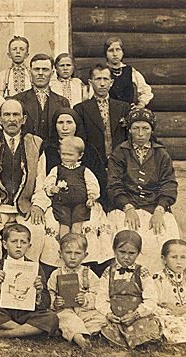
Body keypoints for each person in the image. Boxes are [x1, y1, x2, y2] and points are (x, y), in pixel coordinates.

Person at [42, 109, 113, 277]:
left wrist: (92, 198)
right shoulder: (50, 150)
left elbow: (97, 181)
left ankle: (86, 263)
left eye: (69, 122)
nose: (65, 127)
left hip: (84, 202)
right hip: (58, 202)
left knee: (89, 223)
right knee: (54, 223)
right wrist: (51, 191)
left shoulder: (88, 150)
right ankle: (60, 257)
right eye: (60, 123)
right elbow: (46, 180)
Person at [108, 108, 179, 274]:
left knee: (165, 237)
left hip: (154, 207)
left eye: (145, 128)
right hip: (126, 207)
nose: (140, 133)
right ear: (130, 130)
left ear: (151, 130)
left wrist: (160, 210)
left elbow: (169, 184)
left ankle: (158, 284)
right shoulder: (120, 152)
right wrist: (128, 207)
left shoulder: (161, 153)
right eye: (136, 128)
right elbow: (113, 184)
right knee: (127, 238)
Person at [0, 99, 50, 272]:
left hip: (25, 206)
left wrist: (38, 205)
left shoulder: (36, 143)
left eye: (16, 115)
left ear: (24, 119)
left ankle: (29, 278)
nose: (11, 119)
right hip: (0, 206)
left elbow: (41, 180)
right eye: (7, 115)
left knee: (37, 230)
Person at [0, 223, 58, 338]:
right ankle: (27, 331)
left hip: (27, 314)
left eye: (23, 242)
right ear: (5, 244)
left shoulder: (35, 267)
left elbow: (46, 302)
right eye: (14, 241)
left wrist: (39, 293)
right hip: (5, 313)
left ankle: (7, 333)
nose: (18, 246)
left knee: (51, 317)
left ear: (29, 246)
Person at [96, 230, 161, 349]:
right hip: (115, 318)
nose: (126, 257)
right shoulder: (108, 272)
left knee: (147, 326)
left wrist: (136, 314)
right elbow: (101, 298)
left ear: (138, 253)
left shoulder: (142, 272)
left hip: (136, 317)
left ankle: (142, 341)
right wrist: (109, 314)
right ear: (114, 250)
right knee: (103, 326)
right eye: (122, 252)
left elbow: (151, 299)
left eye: (131, 253)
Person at [47, 234, 106, 349]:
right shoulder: (56, 274)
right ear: (60, 254)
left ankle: (72, 332)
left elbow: (98, 295)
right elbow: (49, 293)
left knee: (101, 319)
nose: (72, 257)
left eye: (77, 253)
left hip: (84, 311)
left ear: (85, 255)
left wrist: (86, 299)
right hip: (65, 310)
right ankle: (79, 337)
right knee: (66, 318)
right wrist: (55, 301)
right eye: (68, 253)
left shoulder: (88, 274)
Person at [74, 64, 131, 166]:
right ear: (90, 82)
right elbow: (82, 139)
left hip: (120, 162)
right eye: (98, 79)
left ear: (111, 82)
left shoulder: (123, 107)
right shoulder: (81, 109)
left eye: (106, 79)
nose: (102, 84)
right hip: (93, 163)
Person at [153, 239, 186, 344]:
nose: (179, 261)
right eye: (174, 257)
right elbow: (155, 303)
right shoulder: (158, 278)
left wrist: (184, 310)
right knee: (173, 326)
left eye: (183, 257)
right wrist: (170, 310)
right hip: (168, 315)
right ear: (164, 259)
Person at [43, 137, 100, 238]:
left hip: (80, 204)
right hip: (62, 204)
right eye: (63, 154)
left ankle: (75, 244)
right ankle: (65, 246)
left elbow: (92, 185)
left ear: (80, 155)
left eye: (70, 155)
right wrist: (52, 189)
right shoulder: (57, 169)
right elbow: (48, 183)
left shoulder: (84, 170)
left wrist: (91, 197)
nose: (66, 158)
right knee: (64, 225)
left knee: (77, 225)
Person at [13, 54, 70, 141]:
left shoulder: (63, 102)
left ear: (52, 73)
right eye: (36, 69)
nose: (40, 73)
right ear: (30, 72)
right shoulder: (18, 100)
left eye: (45, 69)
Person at [104, 37, 153, 108]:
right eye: (111, 50)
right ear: (106, 53)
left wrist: (141, 104)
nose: (115, 54)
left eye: (118, 50)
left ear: (123, 52)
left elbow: (146, 91)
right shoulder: (102, 71)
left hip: (126, 111)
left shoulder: (130, 71)